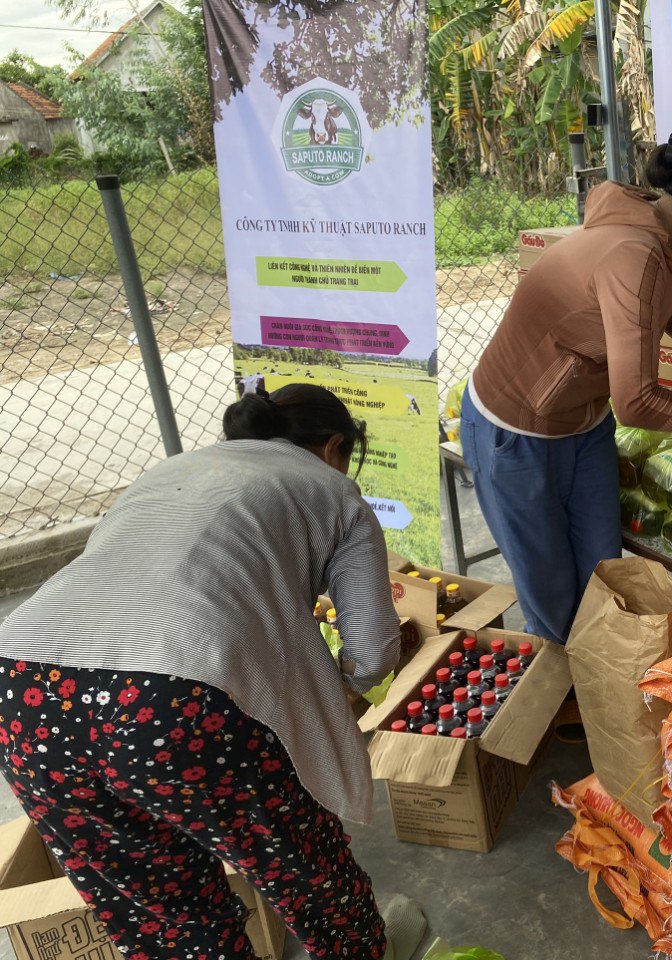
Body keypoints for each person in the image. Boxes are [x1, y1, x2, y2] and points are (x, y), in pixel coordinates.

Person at [0, 384, 429, 960]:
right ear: (333, 446)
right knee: (305, 871)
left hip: (25, 686)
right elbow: (374, 648)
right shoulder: (332, 490)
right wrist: (343, 689)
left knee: (162, 913)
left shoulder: (171, 470)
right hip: (171, 700)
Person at [460, 126, 672, 645]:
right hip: (516, 432)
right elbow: (638, 403)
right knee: (553, 601)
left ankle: (603, 693)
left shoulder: (667, 241)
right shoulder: (633, 254)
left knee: (605, 580)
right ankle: (563, 711)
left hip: (584, 419)